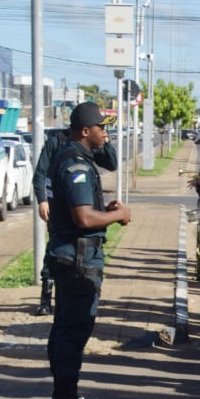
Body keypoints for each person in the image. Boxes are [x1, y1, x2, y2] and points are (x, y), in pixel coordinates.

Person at [45, 102, 131, 399]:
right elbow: (82, 218)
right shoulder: (75, 163)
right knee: (73, 331)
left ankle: (62, 398)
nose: (105, 133)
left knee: (65, 328)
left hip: (71, 252)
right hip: (77, 256)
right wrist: (118, 215)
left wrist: (104, 208)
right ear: (85, 131)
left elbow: (80, 207)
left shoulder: (72, 157)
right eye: (101, 128)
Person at [33, 124, 118, 315]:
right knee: (57, 249)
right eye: (100, 126)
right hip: (59, 205)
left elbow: (111, 163)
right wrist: (42, 200)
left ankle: (62, 298)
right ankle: (45, 298)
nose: (102, 130)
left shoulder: (89, 145)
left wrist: (106, 139)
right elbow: (40, 173)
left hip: (79, 205)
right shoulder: (58, 141)